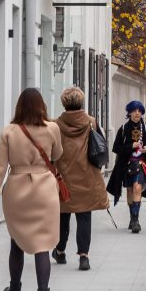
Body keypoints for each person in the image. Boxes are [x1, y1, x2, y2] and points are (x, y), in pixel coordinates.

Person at [0, 88, 64, 291]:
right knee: (42, 245)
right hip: (45, 190)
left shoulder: (9, 132)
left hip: (17, 189)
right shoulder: (52, 129)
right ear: (41, 106)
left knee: (16, 242)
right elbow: (57, 154)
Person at [51, 86, 110, 271]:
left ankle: (60, 251)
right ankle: (84, 256)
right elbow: (101, 147)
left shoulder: (56, 125)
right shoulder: (91, 122)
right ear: (81, 102)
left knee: (63, 216)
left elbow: (51, 151)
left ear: (63, 103)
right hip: (86, 177)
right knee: (84, 217)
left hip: (63, 178)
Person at [106, 100, 146, 233]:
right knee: (129, 190)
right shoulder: (123, 129)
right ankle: (132, 217)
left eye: (139, 111)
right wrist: (130, 147)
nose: (137, 113)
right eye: (134, 110)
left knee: (137, 187)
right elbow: (116, 148)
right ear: (129, 113)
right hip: (126, 164)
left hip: (142, 163)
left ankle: (136, 220)